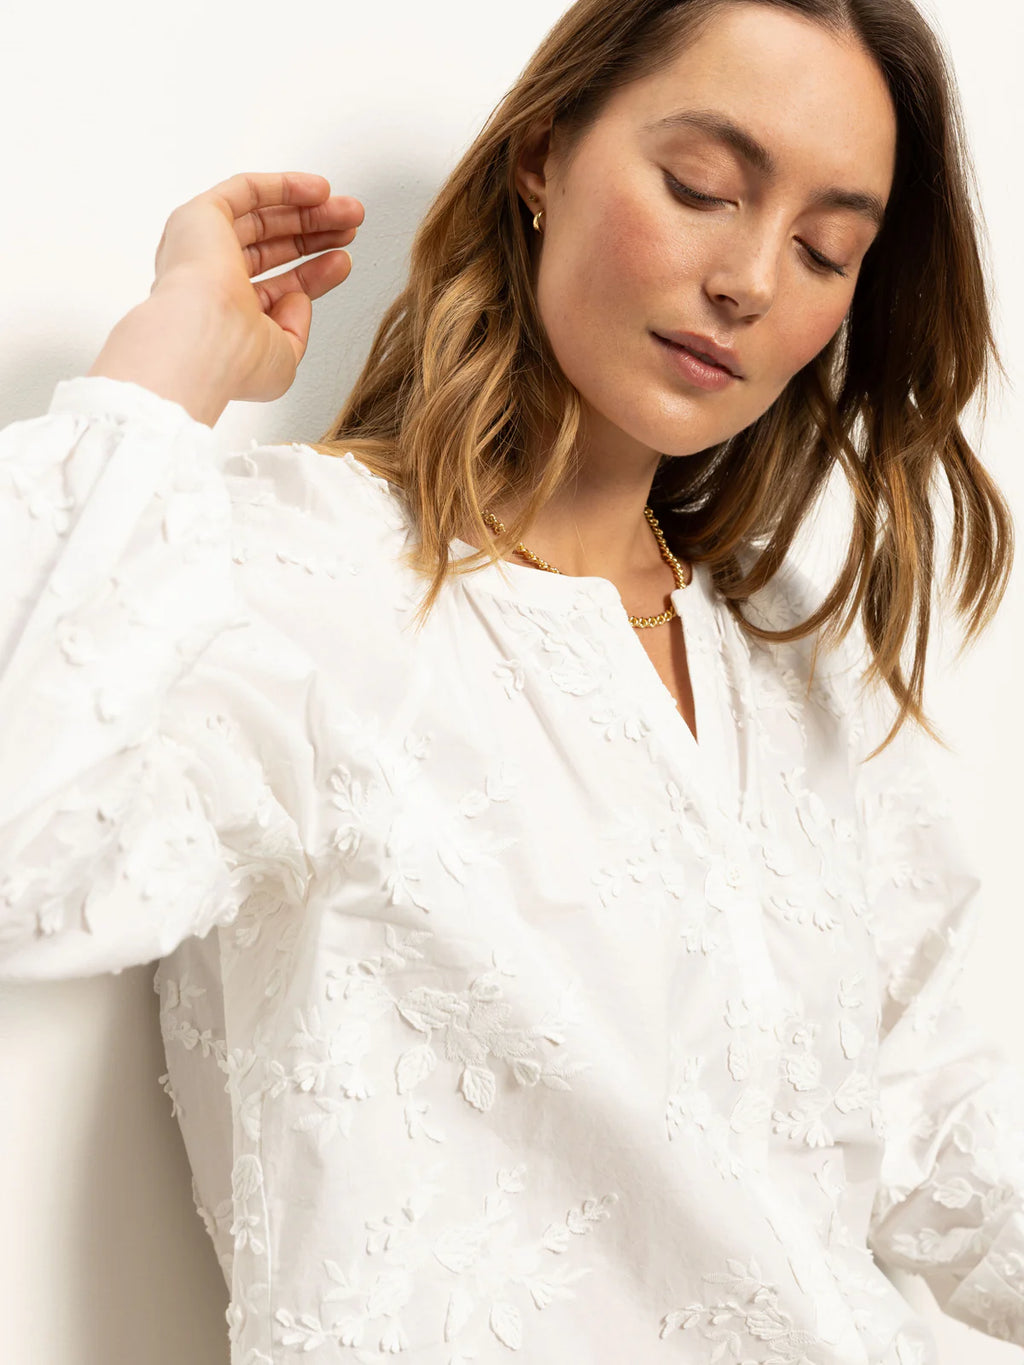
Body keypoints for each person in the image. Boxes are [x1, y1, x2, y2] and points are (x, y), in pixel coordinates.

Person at [1, 0, 1021, 1360]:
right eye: (701, 188)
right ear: (543, 155)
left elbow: (926, 1125)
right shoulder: (296, 573)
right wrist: (166, 362)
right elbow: (26, 850)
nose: (751, 281)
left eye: (825, 250)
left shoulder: (789, 652)